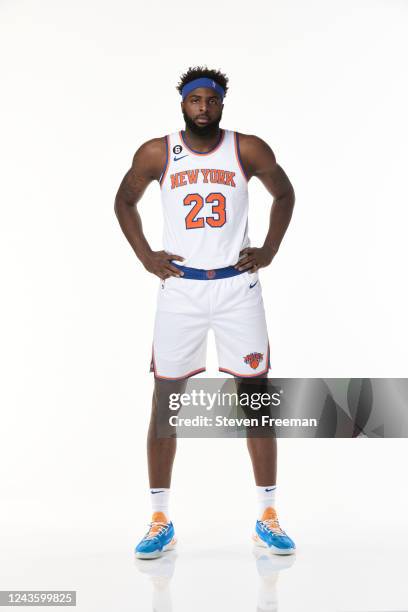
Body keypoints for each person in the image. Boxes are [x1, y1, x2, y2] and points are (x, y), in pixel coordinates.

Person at [114, 66, 296, 559]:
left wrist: (271, 248)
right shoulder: (157, 152)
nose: (202, 107)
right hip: (182, 289)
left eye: (210, 100)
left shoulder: (247, 148)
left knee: (255, 399)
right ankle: (158, 518)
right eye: (194, 100)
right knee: (165, 401)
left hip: (238, 288)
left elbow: (285, 193)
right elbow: (124, 200)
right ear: (182, 105)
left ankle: (268, 514)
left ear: (221, 104)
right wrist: (147, 256)